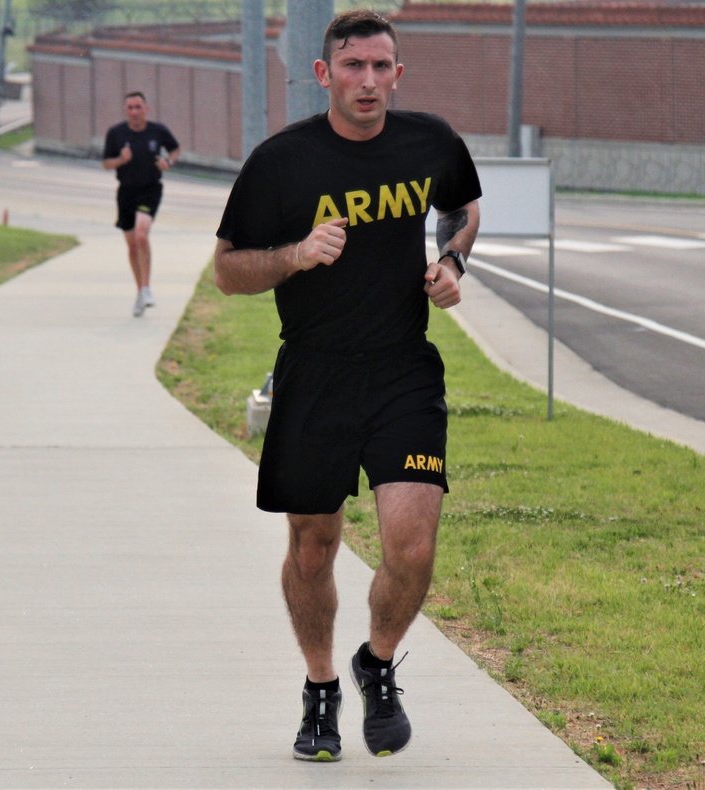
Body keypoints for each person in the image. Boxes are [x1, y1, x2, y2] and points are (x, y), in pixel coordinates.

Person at [214, 9, 481, 763]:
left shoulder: (430, 142)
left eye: (381, 67)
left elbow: (464, 209)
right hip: (316, 374)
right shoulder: (282, 163)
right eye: (353, 67)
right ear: (323, 74)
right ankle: (323, 688)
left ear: (399, 73)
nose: (368, 81)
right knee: (313, 546)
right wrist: (294, 255)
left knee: (413, 544)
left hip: (403, 368)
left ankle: (377, 662)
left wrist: (453, 263)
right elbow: (228, 269)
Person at [102, 91, 181, 317]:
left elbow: (175, 149)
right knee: (132, 246)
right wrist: (121, 160)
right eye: (130, 107)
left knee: (141, 235)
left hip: (150, 190)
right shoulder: (116, 133)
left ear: (146, 108)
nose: (134, 112)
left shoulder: (158, 131)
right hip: (126, 192)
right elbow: (106, 164)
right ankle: (140, 291)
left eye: (138, 107)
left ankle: (146, 288)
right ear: (125, 110)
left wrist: (168, 161)